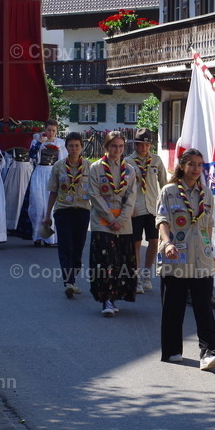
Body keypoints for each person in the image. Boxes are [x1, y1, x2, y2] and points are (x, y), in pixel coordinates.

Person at [156, 148, 215, 368]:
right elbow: (162, 220)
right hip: (176, 256)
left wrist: (208, 247)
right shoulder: (169, 191)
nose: (196, 169)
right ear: (182, 166)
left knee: (203, 306)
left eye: (200, 165)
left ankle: (207, 352)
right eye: (191, 164)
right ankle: (172, 350)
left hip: (201, 258)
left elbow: (209, 224)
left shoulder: (206, 192)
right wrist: (167, 243)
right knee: (173, 306)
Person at [87, 131, 137, 316]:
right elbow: (94, 195)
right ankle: (106, 299)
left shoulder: (130, 170)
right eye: (114, 146)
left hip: (123, 223)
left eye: (121, 146)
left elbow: (131, 197)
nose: (117, 150)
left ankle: (115, 297)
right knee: (105, 261)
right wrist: (110, 218)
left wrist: (122, 219)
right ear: (106, 147)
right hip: (103, 222)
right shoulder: (96, 168)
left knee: (121, 261)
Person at [42, 132, 91, 298]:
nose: (74, 148)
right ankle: (68, 282)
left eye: (77, 145)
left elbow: (96, 193)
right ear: (66, 147)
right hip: (63, 210)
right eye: (71, 146)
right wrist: (47, 214)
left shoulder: (90, 168)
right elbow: (53, 192)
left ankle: (73, 279)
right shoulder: (59, 166)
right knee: (66, 246)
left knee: (78, 248)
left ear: (82, 147)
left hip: (83, 211)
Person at [126, 127, 167, 294]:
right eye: (140, 144)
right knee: (135, 243)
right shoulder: (128, 161)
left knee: (154, 241)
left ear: (150, 145)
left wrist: (167, 204)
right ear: (135, 145)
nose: (143, 148)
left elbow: (165, 184)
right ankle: (136, 278)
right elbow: (123, 186)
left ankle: (146, 274)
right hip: (135, 208)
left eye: (147, 144)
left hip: (153, 207)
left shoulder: (156, 161)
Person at [27, 120, 66, 246]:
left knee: (51, 207)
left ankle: (48, 238)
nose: (51, 133)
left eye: (53, 130)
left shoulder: (60, 143)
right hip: (39, 172)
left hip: (52, 173)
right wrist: (39, 142)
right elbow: (31, 155)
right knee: (38, 207)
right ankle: (37, 236)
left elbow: (64, 161)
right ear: (45, 129)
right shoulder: (37, 141)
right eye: (49, 130)